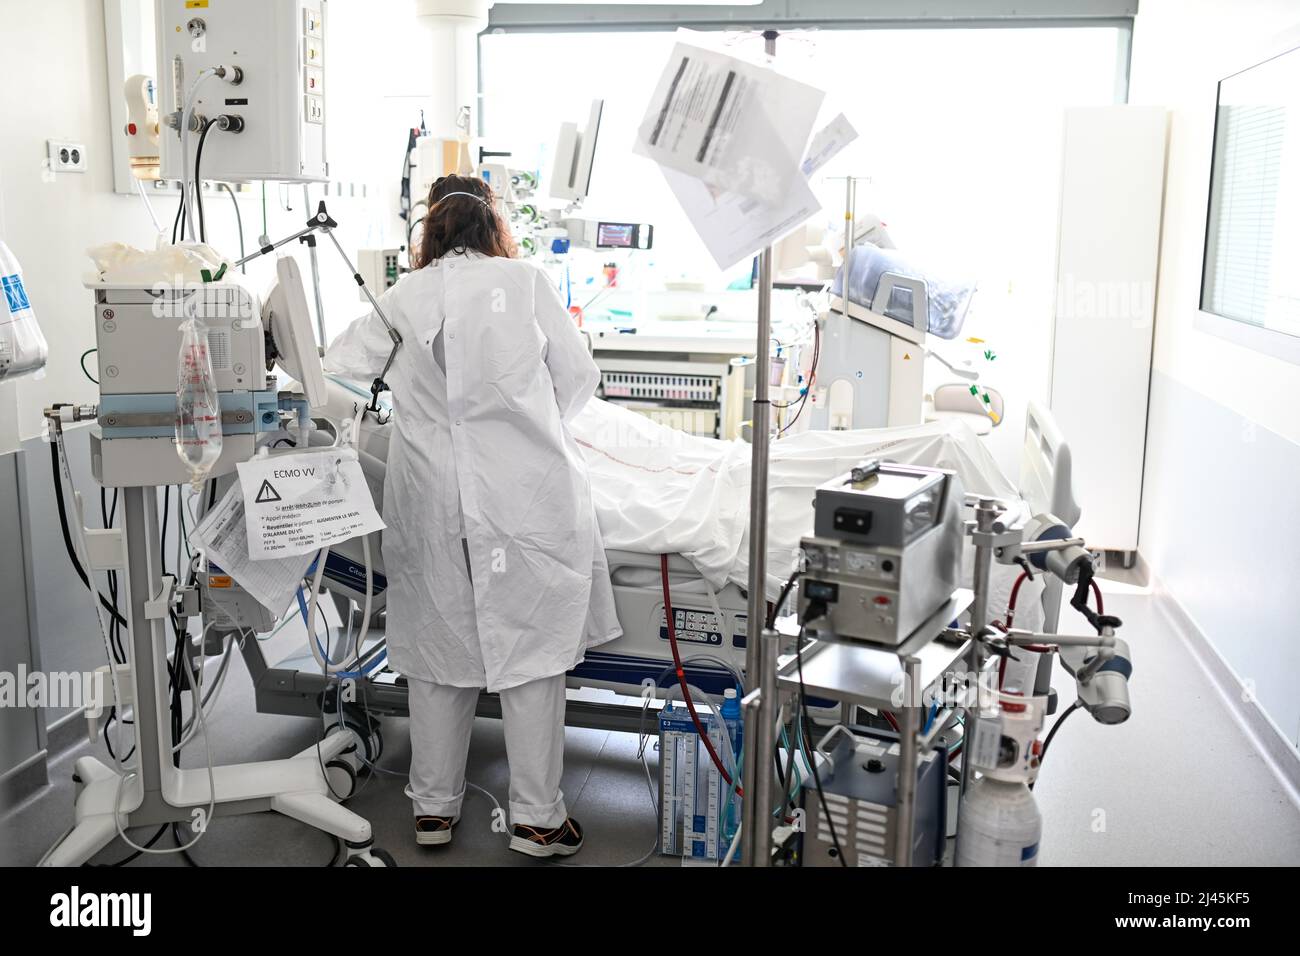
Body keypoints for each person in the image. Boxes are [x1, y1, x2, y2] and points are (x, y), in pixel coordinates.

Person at [325, 174, 621, 858]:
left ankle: (431, 810)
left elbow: (340, 366)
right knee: (533, 653)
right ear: (493, 226)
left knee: (437, 650)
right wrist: (531, 426)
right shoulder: (525, 284)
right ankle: (538, 819)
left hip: (430, 496)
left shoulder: (403, 295)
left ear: (430, 229)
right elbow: (578, 379)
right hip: (524, 496)